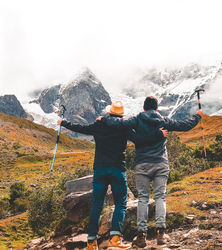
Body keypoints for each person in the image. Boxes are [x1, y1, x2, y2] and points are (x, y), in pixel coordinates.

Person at [57, 100, 167, 250]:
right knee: (121, 204)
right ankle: (115, 238)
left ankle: (91, 242)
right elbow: (140, 140)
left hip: (100, 170)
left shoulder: (99, 124)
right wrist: (158, 134)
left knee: (97, 205)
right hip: (117, 170)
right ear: (121, 114)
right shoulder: (124, 127)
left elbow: (80, 128)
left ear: (109, 112)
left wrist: (63, 123)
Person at [99, 96, 203, 248]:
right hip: (161, 162)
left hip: (142, 164)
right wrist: (198, 115)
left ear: (143, 108)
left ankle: (141, 235)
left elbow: (119, 123)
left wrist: (104, 119)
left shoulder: (137, 119)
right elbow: (185, 125)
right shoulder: (163, 120)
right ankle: (161, 233)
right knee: (160, 197)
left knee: (143, 198)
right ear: (156, 108)